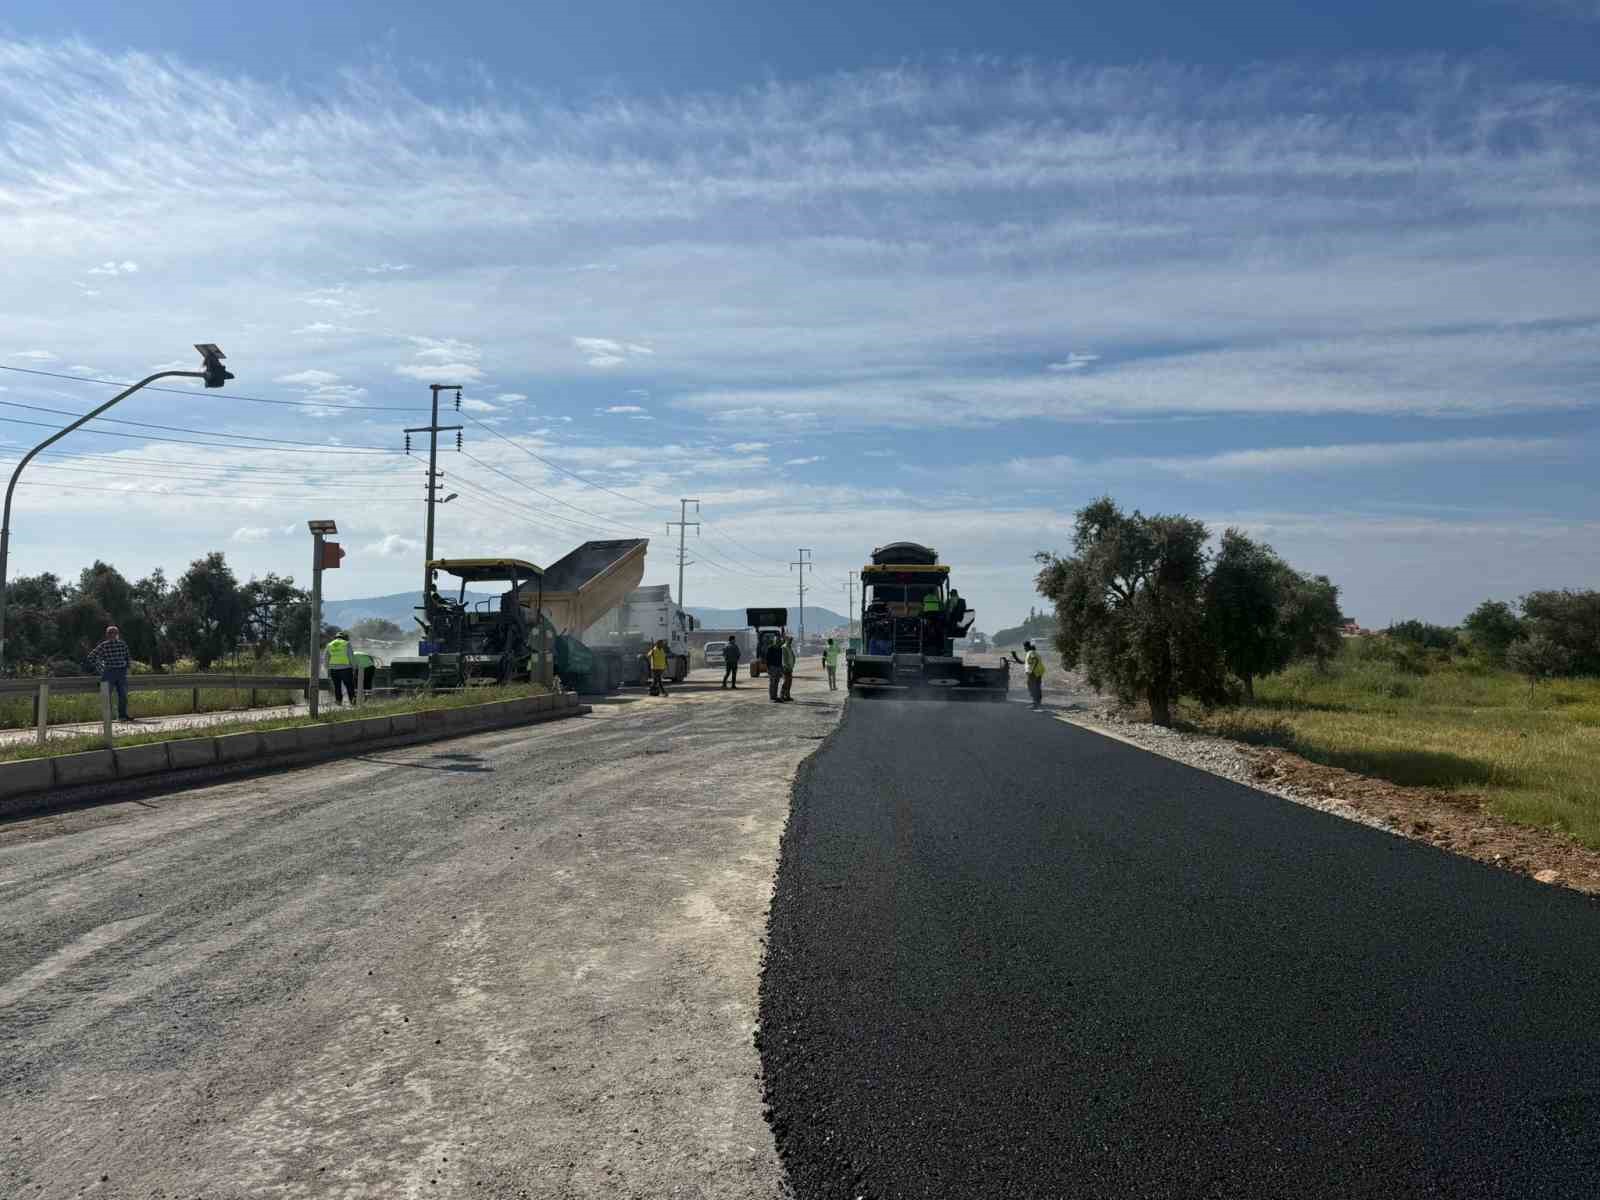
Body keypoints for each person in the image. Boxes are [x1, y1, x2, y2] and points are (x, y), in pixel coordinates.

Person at [88, 624, 133, 721]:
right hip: (111, 672)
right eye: (111, 633)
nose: (113, 635)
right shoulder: (104, 645)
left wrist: (127, 669)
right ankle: (109, 717)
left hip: (119, 672)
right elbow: (91, 657)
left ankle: (122, 716)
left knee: (122, 695)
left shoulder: (121, 644)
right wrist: (101, 669)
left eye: (114, 633)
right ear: (108, 635)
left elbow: (127, 657)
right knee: (108, 695)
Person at [325, 632, 356, 706]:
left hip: (333, 669)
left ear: (335, 637)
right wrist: (354, 667)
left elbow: (326, 658)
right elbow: (351, 656)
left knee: (337, 686)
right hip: (345, 668)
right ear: (344, 637)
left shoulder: (329, 645)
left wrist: (328, 668)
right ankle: (352, 702)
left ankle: (338, 701)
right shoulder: (346, 643)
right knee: (349, 686)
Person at [1022, 639, 1045, 710]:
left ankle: (1035, 704)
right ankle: (1038, 702)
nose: (1024, 649)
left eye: (1024, 647)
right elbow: (1028, 662)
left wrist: (1032, 670)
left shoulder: (1030, 652)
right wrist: (1016, 659)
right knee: (1037, 687)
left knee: (1032, 687)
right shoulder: (1033, 652)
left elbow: (1035, 660)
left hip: (1034, 673)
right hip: (1038, 672)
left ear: (1027, 647)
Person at [765, 634, 785, 702]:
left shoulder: (780, 649)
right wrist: (768, 668)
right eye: (776, 640)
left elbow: (781, 658)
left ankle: (775, 696)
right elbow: (767, 659)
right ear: (774, 640)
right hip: (772, 668)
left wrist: (781, 667)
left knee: (777, 682)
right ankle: (772, 697)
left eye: (779, 640)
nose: (777, 641)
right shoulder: (770, 648)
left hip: (778, 667)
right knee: (772, 683)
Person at [779, 634, 797, 702]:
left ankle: (787, 695)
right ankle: (782, 695)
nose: (791, 641)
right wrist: (786, 666)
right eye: (790, 640)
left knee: (789, 682)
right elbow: (784, 659)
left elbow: (792, 656)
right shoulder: (784, 647)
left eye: (791, 640)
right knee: (785, 682)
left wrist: (793, 664)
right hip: (786, 668)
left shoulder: (789, 647)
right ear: (787, 640)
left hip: (790, 667)